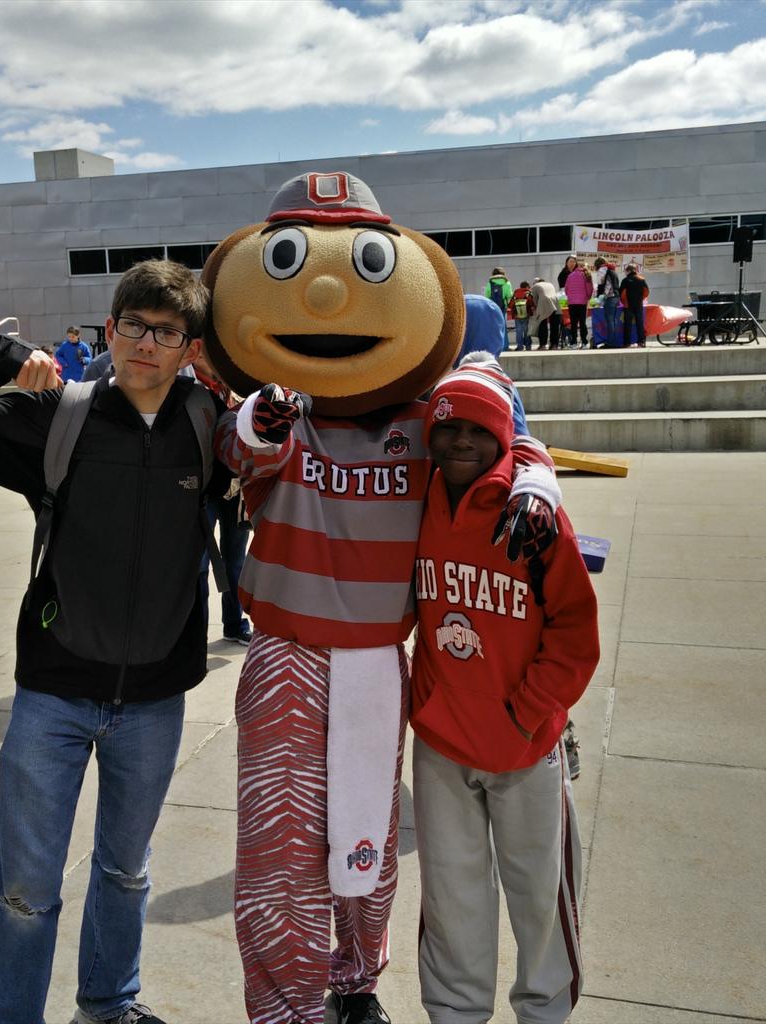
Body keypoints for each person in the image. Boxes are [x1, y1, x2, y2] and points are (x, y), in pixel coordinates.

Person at [201, 171, 562, 1024]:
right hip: (287, 653)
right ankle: (287, 1007)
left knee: (366, 840)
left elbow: (501, 427)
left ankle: (355, 983)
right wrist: (264, 417)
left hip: (376, 657)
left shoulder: (423, 423)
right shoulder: (279, 415)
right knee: (279, 846)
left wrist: (536, 478)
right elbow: (238, 448)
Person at [0, 260, 226, 1024]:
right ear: (110, 332)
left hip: (153, 701)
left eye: (166, 331)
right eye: (133, 326)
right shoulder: (60, 417)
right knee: (27, 892)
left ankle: (107, 1006)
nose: (146, 342)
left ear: (189, 347)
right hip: (53, 696)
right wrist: (0, 360)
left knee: (126, 873)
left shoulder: (210, 428)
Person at [411, 362, 599, 1024]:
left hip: (524, 746)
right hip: (441, 743)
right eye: (447, 428)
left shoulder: (535, 515)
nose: (461, 440)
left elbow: (576, 634)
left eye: (477, 430)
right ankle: (455, 1014)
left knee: (538, 895)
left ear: (502, 435)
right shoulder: (418, 501)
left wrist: (527, 714)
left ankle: (544, 1012)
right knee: (452, 897)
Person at [194, 348, 252, 647]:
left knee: (236, 561)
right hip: (204, 490)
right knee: (199, 565)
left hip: (236, 489)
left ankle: (234, 623)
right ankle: (196, 634)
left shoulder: (235, 384)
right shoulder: (187, 389)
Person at [593, 256, 621, 348]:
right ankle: (613, 341)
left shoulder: (602, 270)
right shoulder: (612, 270)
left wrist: (601, 296)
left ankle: (610, 343)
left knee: (609, 321)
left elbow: (603, 284)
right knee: (612, 320)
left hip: (609, 297)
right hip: (616, 296)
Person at [619, 264, 650, 348]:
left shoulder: (625, 280)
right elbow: (646, 292)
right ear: (635, 270)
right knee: (640, 323)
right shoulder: (641, 279)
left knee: (627, 324)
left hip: (628, 305)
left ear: (628, 271)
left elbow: (622, 294)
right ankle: (641, 342)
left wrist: (624, 302)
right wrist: (641, 298)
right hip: (639, 304)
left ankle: (627, 343)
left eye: (626, 271)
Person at [563, 260, 592, 349]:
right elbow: (589, 289)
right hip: (582, 302)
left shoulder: (570, 275)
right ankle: (584, 342)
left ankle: (574, 343)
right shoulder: (587, 275)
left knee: (574, 323)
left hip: (572, 303)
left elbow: (566, 290)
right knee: (582, 323)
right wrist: (588, 297)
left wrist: (571, 297)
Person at [528, 277, 563, 351]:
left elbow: (534, 301)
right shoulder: (550, 284)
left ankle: (543, 345)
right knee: (555, 326)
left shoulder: (534, 287)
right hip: (556, 304)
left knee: (542, 325)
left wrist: (536, 312)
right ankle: (554, 345)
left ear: (535, 283)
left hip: (544, 303)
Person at [508, 280, 533, 352]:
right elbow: (531, 303)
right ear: (527, 286)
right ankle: (528, 346)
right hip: (526, 315)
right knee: (526, 331)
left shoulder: (516, 292)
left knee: (519, 331)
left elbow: (511, 304)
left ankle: (520, 346)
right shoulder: (528, 293)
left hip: (517, 315)